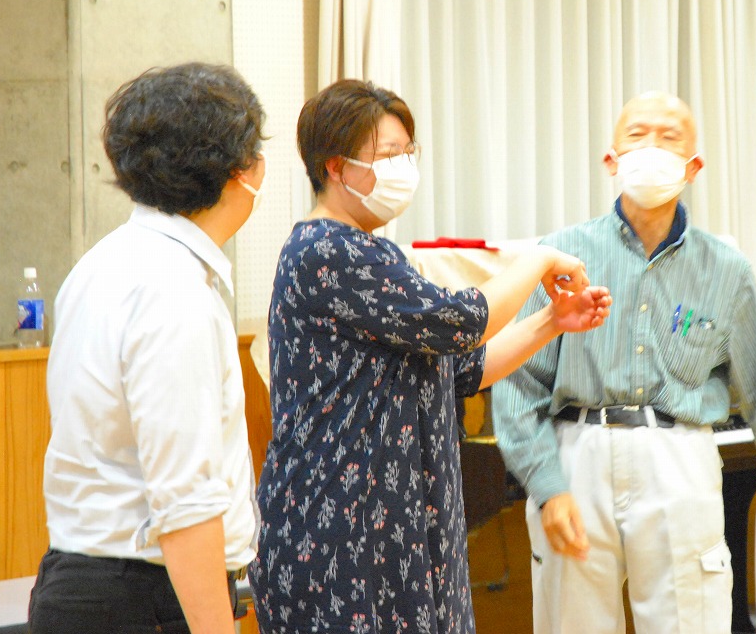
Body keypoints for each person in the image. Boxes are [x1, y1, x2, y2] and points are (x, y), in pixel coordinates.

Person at [248, 79, 612, 634]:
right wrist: (536, 260)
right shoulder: (326, 249)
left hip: (400, 525)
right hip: (340, 529)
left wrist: (552, 321)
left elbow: (464, 367)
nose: (403, 167)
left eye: (408, 153)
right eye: (387, 155)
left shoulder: (375, 251)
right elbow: (460, 321)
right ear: (336, 167)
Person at [492, 91, 756, 634]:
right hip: (577, 455)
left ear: (693, 167)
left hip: (679, 459)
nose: (651, 146)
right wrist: (547, 485)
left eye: (669, 137)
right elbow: (517, 386)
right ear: (611, 160)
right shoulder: (560, 256)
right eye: (637, 135)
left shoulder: (726, 270)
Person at [28, 63, 267, 634]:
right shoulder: (173, 290)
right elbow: (185, 502)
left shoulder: (105, 262)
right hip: (143, 595)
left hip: (96, 584)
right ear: (240, 170)